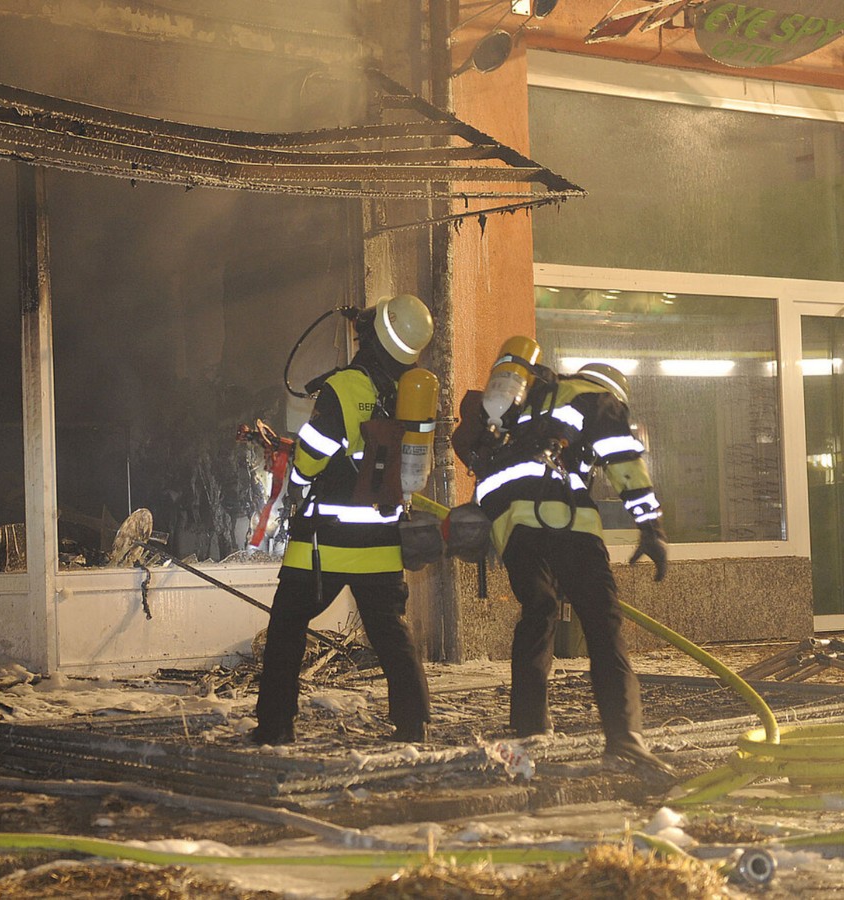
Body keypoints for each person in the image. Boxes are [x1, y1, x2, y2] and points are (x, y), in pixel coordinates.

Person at [455, 352, 674, 776]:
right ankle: (625, 740)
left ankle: (529, 728)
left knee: (538, 613)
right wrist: (650, 525)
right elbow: (621, 456)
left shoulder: (528, 402)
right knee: (602, 623)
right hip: (561, 516)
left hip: (510, 524)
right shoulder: (596, 398)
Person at [252, 294, 435, 745]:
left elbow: (311, 458)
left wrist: (294, 473)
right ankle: (414, 726)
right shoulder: (408, 390)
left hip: (326, 542)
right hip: (381, 541)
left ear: (371, 337)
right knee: (392, 635)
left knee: (286, 630)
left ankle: (276, 728)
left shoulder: (345, 387)